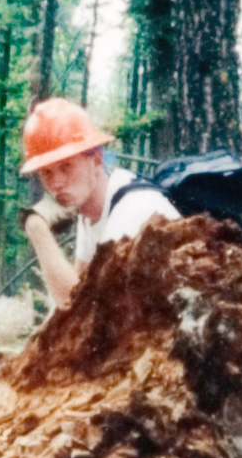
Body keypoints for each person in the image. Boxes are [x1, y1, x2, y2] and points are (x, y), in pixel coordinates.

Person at [20, 98, 179, 307]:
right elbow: (80, 286)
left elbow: (79, 312)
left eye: (66, 166)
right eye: (47, 172)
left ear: (96, 161)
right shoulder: (89, 211)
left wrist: (37, 228)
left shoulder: (132, 211)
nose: (56, 183)